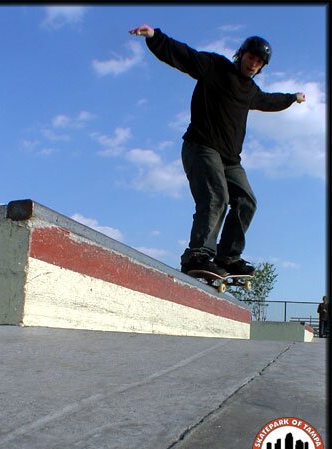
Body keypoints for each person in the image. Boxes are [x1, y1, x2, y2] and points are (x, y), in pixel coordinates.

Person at [129, 25, 306, 277]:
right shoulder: (215, 67)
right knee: (216, 197)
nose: (253, 64)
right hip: (201, 147)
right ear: (241, 54)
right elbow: (185, 56)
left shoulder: (251, 91)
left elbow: (269, 101)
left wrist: (292, 98)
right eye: (250, 57)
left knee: (247, 201)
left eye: (258, 62)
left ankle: (228, 256)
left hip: (230, 160)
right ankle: (198, 254)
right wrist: (156, 37)